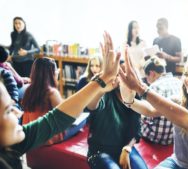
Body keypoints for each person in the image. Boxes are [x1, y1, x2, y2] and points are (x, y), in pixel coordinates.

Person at [0, 31, 120, 169]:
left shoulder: (14, 143)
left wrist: (102, 79)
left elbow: (54, 118)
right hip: (54, 137)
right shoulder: (52, 92)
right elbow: (61, 118)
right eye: (8, 110)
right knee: (83, 119)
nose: (18, 112)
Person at [120, 55, 188, 168]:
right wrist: (129, 101)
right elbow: (150, 110)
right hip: (177, 162)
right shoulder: (177, 101)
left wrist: (140, 88)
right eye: (186, 74)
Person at [86, 60, 146, 169]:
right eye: (119, 74)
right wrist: (100, 90)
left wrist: (127, 149)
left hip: (124, 148)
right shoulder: (105, 93)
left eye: (126, 74)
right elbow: (91, 106)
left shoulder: (134, 98)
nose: (122, 78)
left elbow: (136, 131)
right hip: (99, 151)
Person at [21, 57, 64, 145]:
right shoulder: (51, 92)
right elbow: (65, 116)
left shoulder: (28, 89)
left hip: (30, 137)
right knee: (81, 121)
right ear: (52, 73)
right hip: (46, 139)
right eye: (56, 71)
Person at [140, 56, 182, 145]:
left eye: (146, 77)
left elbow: (147, 115)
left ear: (152, 73)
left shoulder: (154, 87)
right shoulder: (179, 82)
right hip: (175, 137)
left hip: (155, 137)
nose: (147, 81)